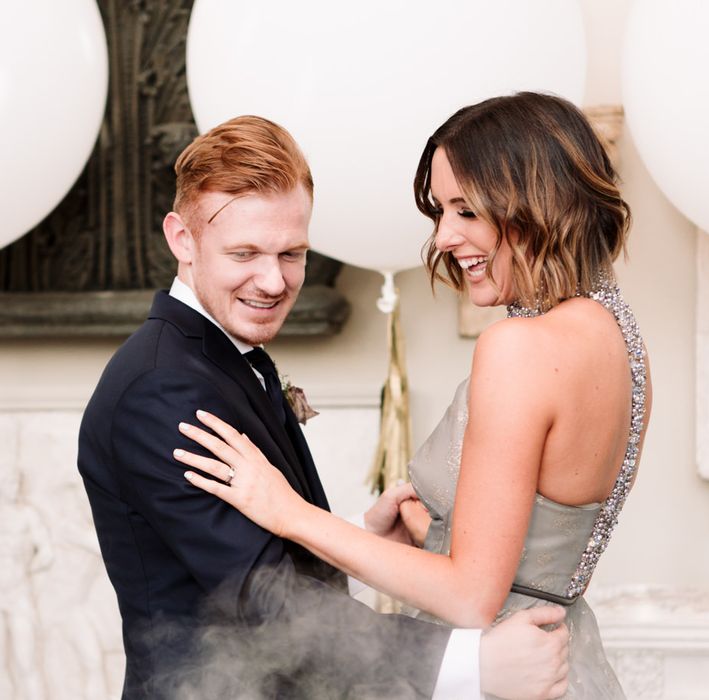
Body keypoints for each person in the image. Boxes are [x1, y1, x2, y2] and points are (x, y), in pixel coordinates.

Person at [77, 114, 570, 699]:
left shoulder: (223, 357)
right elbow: (265, 601)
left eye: (291, 253)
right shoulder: (161, 389)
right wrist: (469, 664)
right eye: (245, 253)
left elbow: (263, 558)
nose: (272, 281)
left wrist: (363, 538)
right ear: (182, 239)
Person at [177, 93, 653, 698]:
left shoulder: (519, 347)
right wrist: (432, 529)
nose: (445, 236)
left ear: (535, 200)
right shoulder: (617, 335)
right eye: (439, 211)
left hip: (501, 671)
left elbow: (472, 595)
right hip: (568, 660)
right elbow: (545, 539)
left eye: (465, 209)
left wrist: (288, 512)